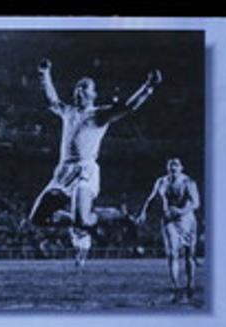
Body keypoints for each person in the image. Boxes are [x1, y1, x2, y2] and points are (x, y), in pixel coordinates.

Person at [27, 58, 162, 265]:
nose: (79, 91)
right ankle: (79, 218)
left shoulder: (99, 115)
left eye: (84, 88)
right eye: (77, 88)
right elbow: (52, 100)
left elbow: (128, 106)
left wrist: (148, 86)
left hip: (84, 170)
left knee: (82, 220)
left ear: (93, 94)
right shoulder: (69, 112)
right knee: (37, 218)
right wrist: (44, 74)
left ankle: (119, 215)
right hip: (63, 172)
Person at [138, 157, 201, 303]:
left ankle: (190, 284)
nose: (173, 170)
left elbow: (196, 203)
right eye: (170, 167)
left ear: (181, 168)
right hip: (169, 220)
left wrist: (180, 211)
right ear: (167, 169)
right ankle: (175, 287)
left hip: (186, 220)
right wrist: (143, 212)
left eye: (176, 167)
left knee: (189, 255)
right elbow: (151, 197)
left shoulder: (188, 182)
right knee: (172, 253)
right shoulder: (161, 181)